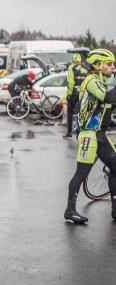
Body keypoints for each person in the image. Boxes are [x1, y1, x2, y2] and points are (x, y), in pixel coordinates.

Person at [64, 49, 116, 224]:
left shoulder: (99, 81)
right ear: (98, 65)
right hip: (89, 134)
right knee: (81, 173)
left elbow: (107, 107)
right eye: (110, 64)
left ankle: (115, 209)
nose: (113, 67)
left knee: (115, 167)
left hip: (101, 135)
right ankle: (70, 210)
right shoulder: (92, 80)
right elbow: (108, 98)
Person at [61, 53, 87, 139]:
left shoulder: (71, 68)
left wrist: (69, 94)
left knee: (70, 112)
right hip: (84, 94)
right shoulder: (86, 68)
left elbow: (71, 83)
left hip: (74, 93)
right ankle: (81, 132)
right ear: (80, 60)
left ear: (73, 61)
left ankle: (69, 132)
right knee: (82, 112)